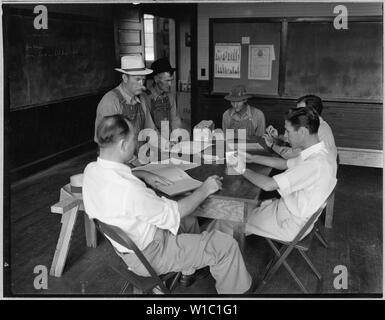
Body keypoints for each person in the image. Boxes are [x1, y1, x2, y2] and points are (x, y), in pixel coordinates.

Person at [83, 114, 253, 294]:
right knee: (226, 247)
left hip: (130, 247)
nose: (136, 144)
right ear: (123, 144)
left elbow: (118, 179)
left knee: (190, 220)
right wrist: (205, 189)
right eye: (134, 139)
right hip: (152, 254)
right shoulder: (130, 191)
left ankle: (190, 270)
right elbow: (176, 212)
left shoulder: (91, 171)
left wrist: (142, 173)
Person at [208, 106, 337, 242]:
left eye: (288, 131)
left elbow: (269, 185)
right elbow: (284, 164)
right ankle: (206, 242)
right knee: (240, 208)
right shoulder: (320, 153)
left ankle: (204, 252)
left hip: (289, 223)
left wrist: (242, 169)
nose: (285, 136)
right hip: (290, 210)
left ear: (303, 132)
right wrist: (253, 158)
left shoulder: (314, 164)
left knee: (228, 217)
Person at [94, 54, 157, 160]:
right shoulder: (111, 101)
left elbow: (150, 130)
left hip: (140, 158)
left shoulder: (141, 99)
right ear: (124, 78)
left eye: (143, 79)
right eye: (137, 79)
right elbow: (107, 142)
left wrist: (165, 146)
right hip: (117, 162)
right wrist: (130, 159)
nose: (142, 84)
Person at [265, 94, 337, 160]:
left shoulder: (317, 130)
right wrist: (277, 137)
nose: (295, 113)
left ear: (311, 112)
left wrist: (272, 145)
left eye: (300, 110)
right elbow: (291, 140)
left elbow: (290, 154)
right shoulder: (317, 124)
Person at [145, 58, 183, 134]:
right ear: (156, 79)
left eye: (171, 80)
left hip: (168, 140)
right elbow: (149, 127)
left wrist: (175, 137)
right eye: (167, 80)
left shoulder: (170, 96)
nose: (170, 84)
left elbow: (175, 119)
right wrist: (162, 143)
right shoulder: (146, 97)